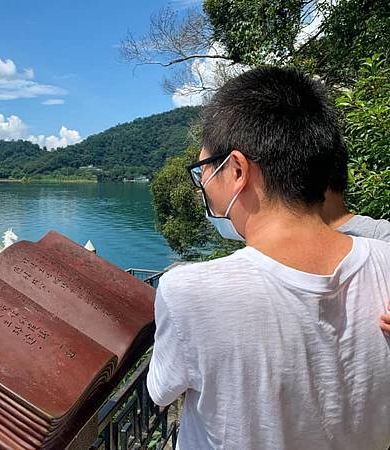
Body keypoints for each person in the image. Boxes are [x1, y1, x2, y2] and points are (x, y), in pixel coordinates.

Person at [147, 67, 390, 449]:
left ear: (238, 170)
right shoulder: (385, 261)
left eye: (204, 171)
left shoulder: (189, 291)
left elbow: (161, 391)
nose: (204, 187)